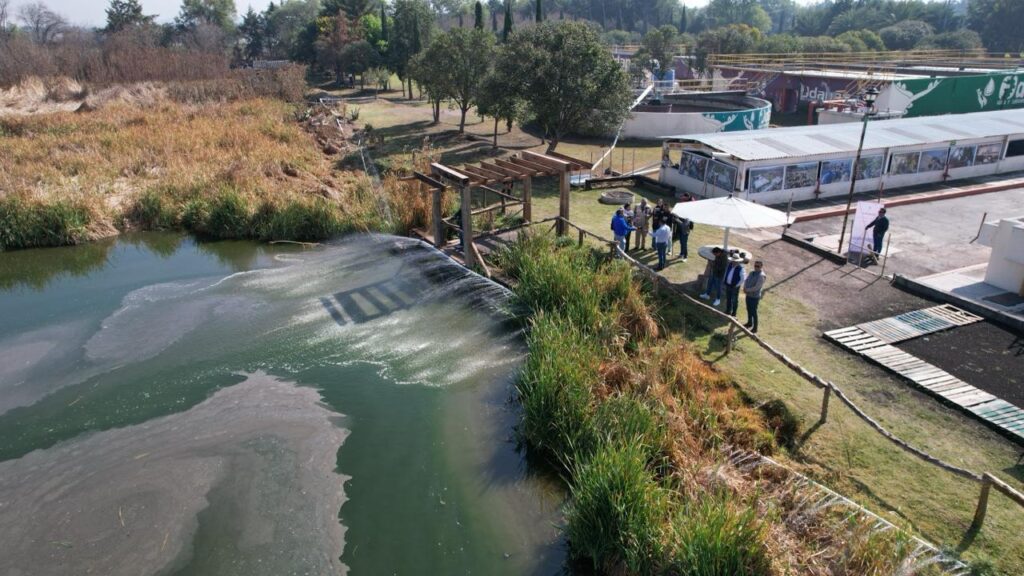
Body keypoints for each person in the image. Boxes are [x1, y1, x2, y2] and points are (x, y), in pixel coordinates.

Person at [743, 260, 767, 333]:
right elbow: (746, 280)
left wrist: (747, 290)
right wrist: (744, 287)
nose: (756, 267)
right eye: (755, 266)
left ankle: (755, 328)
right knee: (748, 309)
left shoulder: (761, 276)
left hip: (754, 297)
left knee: (753, 312)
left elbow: (757, 287)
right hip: (748, 295)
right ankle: (749, 323)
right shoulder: (751, 273)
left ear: (761, 267)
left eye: (758, 266)